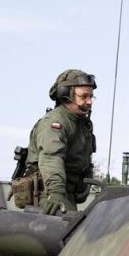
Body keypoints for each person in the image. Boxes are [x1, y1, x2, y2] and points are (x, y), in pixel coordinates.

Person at [24, 69, 97, 215]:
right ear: (66, 95)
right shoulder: (55, 123)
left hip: (67, 196)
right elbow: (51, 158)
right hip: (49, 196)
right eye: (84, 97)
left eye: (91, 97)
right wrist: (56, 192)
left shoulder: (82, 123)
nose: (89, 102)